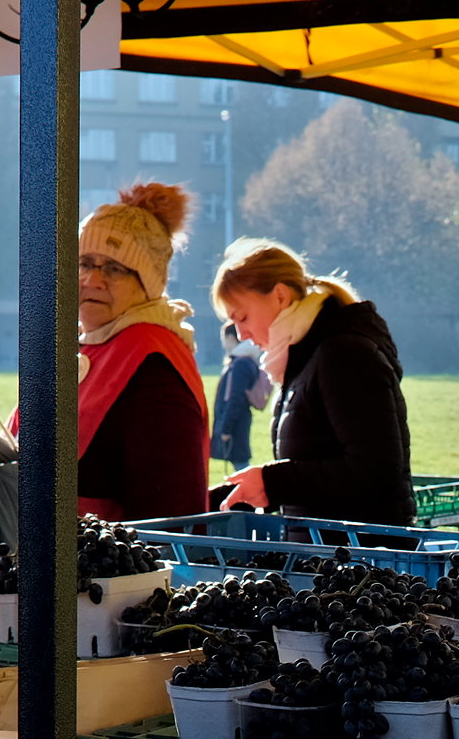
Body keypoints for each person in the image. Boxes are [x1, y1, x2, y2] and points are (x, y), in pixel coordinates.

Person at [214, 239, 412, 527]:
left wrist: (272, 482)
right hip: (329, 552)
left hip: (360, 555)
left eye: (242, 317)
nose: (242, 334)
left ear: (280, 296)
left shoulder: (344, 353)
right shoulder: (301, 356)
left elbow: (375, 469)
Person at [65, 181, 207, 522]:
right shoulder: (88, 343)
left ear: (148, 284)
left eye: (114, 269)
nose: (92, 280)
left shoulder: (153, 366)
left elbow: (170, 515)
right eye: (85, 263)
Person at [209, 320, 268, 472]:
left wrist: (226, 429)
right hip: (240, 421)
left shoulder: (240, 364)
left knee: (241, 466)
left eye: (225, 340)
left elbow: (235, 398)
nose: (224, 345)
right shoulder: (247, 360)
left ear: (231, 338)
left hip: (236, 424)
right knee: (240, 464)